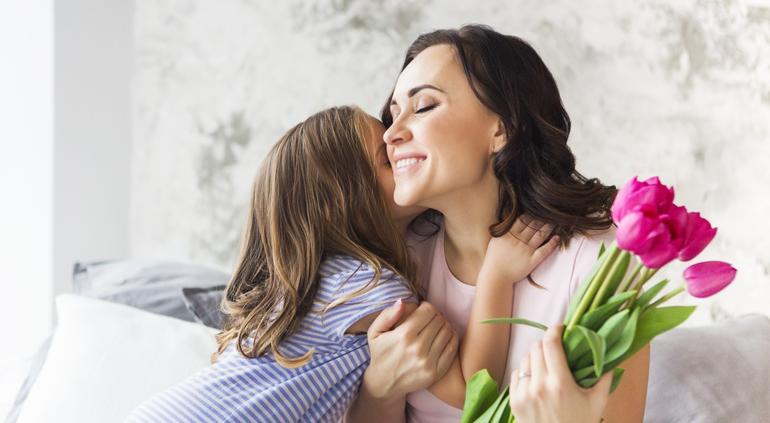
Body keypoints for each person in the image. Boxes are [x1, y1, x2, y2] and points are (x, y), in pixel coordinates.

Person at [125, 105, 556, 423]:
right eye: (387, 161)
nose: (401, 151)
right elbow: (470, 388)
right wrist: (497, 274)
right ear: (347, 199)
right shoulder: (365, 284)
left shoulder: (311, 286)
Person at [350, 25, 650, 423]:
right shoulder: (394, 261)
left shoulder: (597, 265)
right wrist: (379, 388)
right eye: (392, 114)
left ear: (502, 128)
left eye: (423, 106)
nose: (391, 133)